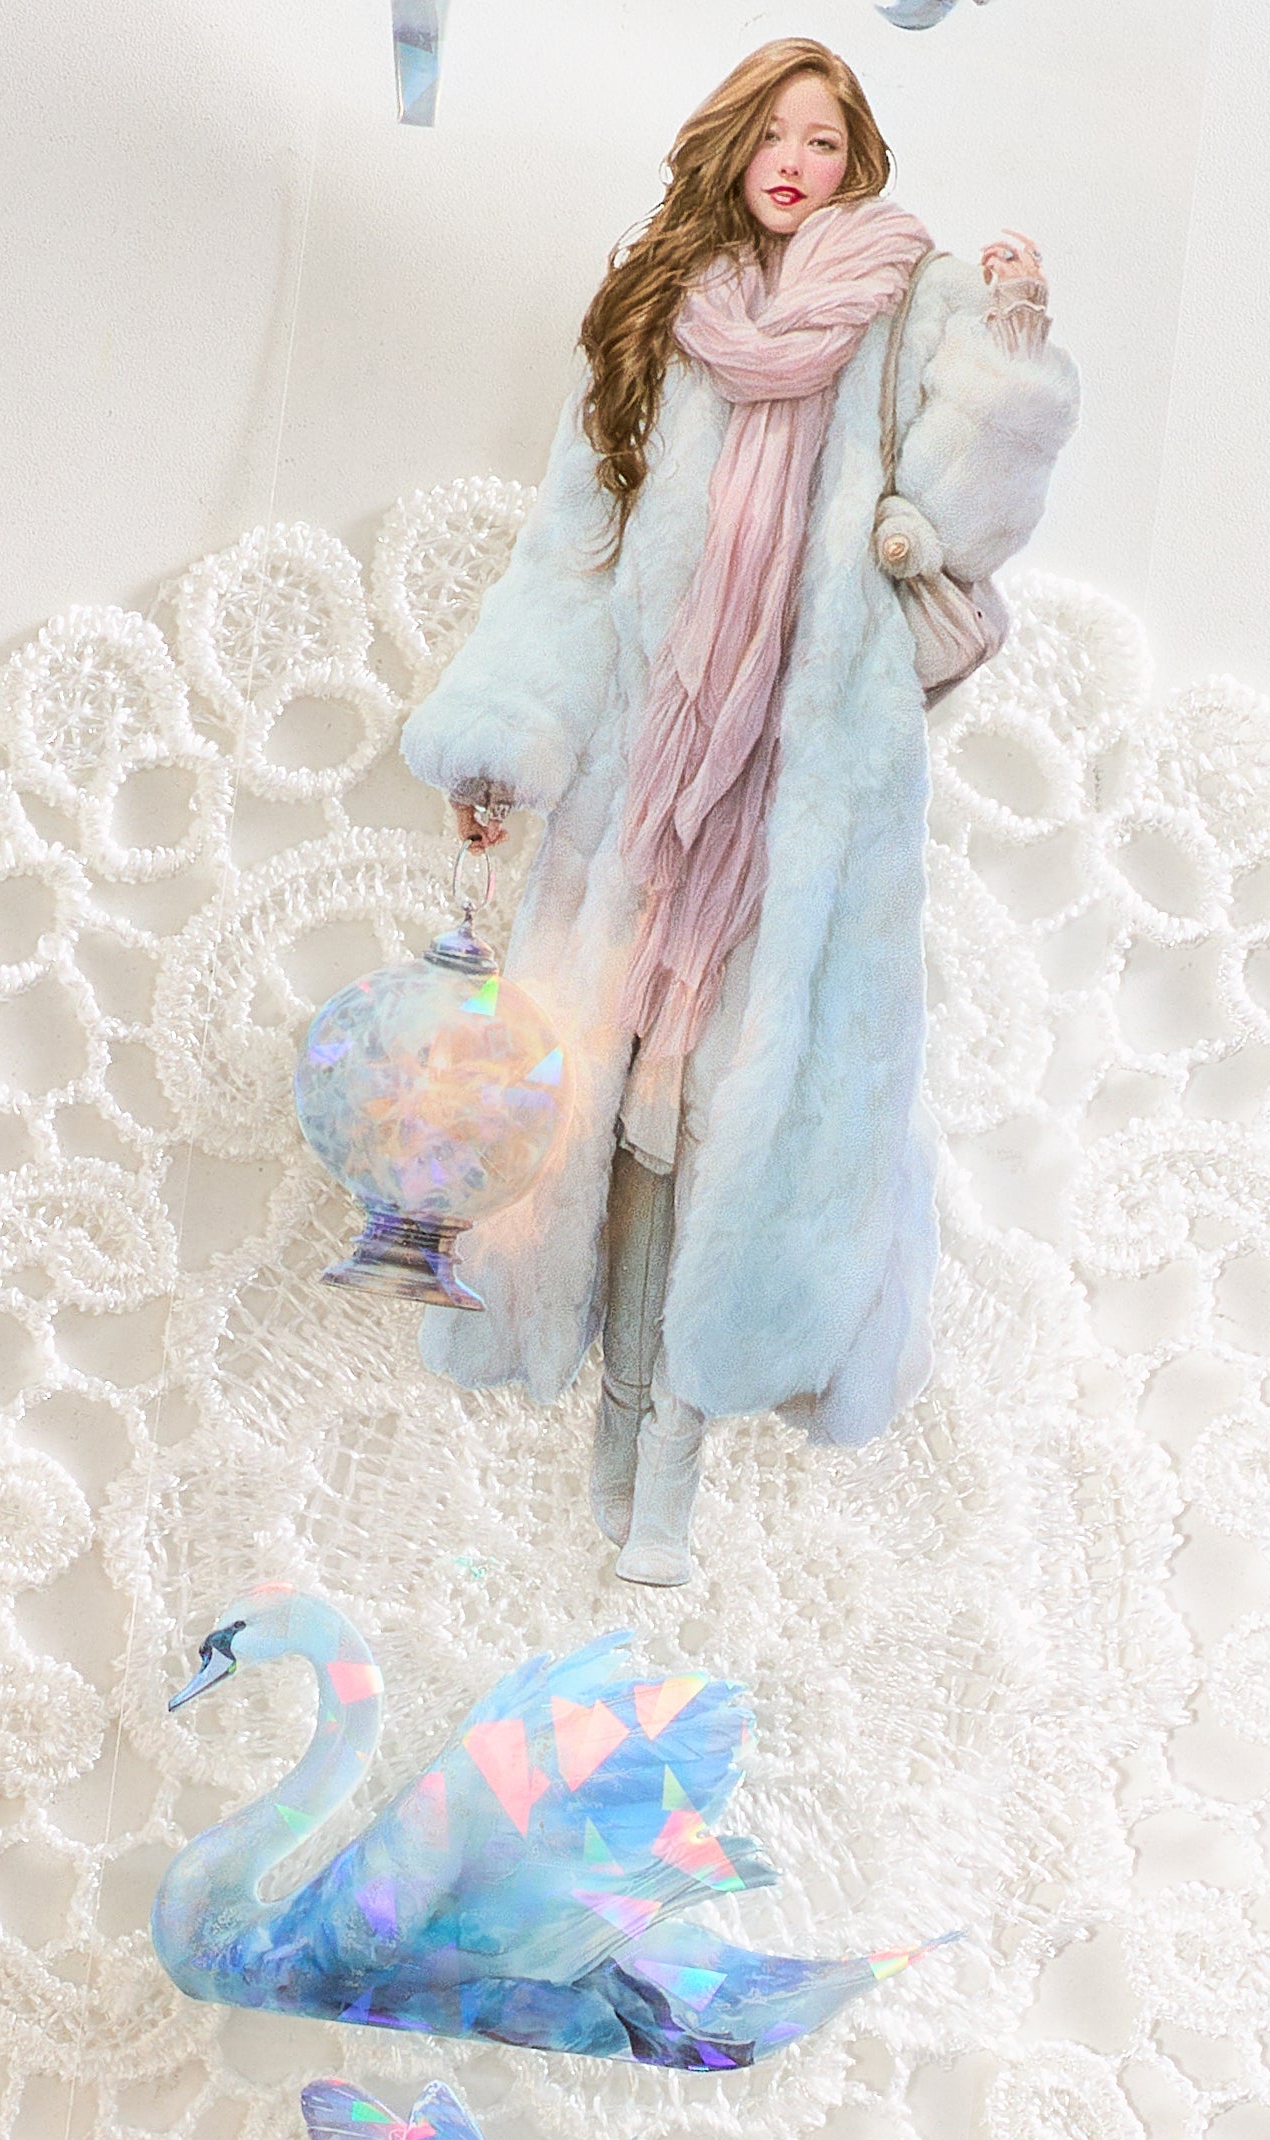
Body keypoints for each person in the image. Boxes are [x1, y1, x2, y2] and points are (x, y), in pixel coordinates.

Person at [400, 38, 1077, 1584]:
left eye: (823, 140)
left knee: (739, 1129)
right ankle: (617, 1442)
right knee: (621, 1122)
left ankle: (673, 1478)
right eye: (773, 133)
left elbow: (968, 518)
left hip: (805, 798)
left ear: (858, 160)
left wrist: (1013, 352)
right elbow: (571, 557)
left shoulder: (911, 307)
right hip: (649, 792)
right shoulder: (669, 316)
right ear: (733, 146)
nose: (793, 162)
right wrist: (505, 745)